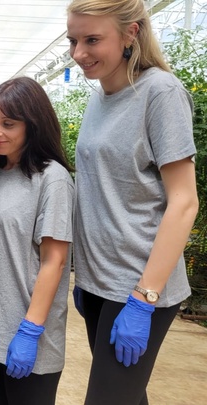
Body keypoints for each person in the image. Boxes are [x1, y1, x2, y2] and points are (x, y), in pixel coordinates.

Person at [66, 0, 199, 403]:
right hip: (97, 282)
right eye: (73, 40)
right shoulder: (99, 97)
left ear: (131, 33)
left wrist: (145, 298)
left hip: (138, 286)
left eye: (92, 40)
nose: (78, 53)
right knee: (126, 396)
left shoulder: (161, 93)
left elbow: (184, 201)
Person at [0, 77, 74, 405]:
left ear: (34, 124)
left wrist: (30, 332)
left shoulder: (52, 179)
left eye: (8, 123)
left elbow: (54, 261)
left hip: (28, 336)